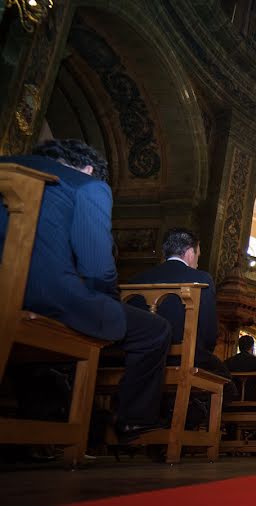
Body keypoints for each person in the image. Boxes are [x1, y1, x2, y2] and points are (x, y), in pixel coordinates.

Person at [0, 139, 171, 441]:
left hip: (9, 295)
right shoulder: (87, 186)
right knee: (153, 329)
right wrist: (106, 295)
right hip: (45, 297)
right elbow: (96, 267)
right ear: (90, 168)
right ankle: (132, 420)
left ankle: (42, 425)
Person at [129, 228, 235, 400]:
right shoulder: (202, 279)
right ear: (190, 253)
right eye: (198, 256)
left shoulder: (137, 279)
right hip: (186, 358)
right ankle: (189, 419)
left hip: (139, 357)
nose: (198, 262)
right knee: (228, 384)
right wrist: (202, 351)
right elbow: (209, 332)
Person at [225, 335, 256, 401]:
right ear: (252, 347)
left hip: (232, 399)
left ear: (239, 347)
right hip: (250, 399)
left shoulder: (229, 361)